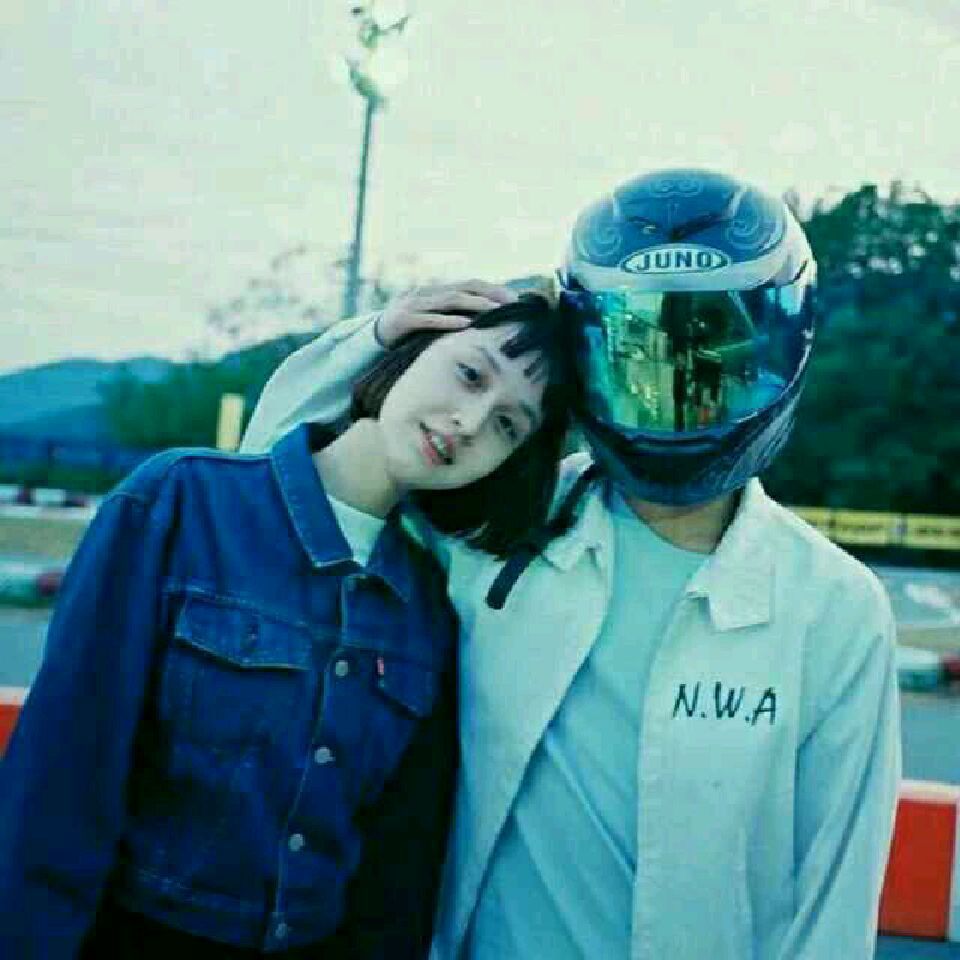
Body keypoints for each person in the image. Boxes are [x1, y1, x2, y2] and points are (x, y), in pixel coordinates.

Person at [241, 169, 902, 959]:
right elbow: (273, 491)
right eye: (638, 358)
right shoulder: (492, 523)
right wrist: (378, 340)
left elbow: (835, 904)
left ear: (783, 350)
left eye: (708, 359)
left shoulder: (833, 606)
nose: (672, 392)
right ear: (586, 357)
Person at [0, 293, 575, 959]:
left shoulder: (430, 612)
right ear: (412, 352)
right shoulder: (182, 500)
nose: (469, 423)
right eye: (470, 374)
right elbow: (62, 773)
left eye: (508, 425)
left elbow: (395, 876)